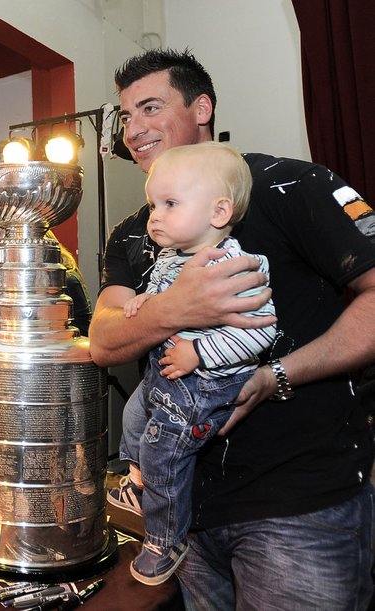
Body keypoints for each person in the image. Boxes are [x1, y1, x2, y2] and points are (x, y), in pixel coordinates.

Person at [91, 49, 375, 609]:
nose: (134, 129)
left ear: (202, 108)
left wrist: (276, 376)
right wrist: (178, 306)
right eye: (125, 116)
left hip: (298, 507)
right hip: (186, 519)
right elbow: (103, 340)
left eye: (150, 107)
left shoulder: (293, 185)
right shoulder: (132, 231)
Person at [114, 142, 277, 585]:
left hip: (204, 382)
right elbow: (170, 300)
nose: (155, 216)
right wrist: (150, 301)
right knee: (133, 417)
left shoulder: (237, 265)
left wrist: (199, 353)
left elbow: (260, 332)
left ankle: (165, 539)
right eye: (152, 205)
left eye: (170, 204)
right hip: (165, 371)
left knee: (163, 451)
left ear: (219, 212)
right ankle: (137, 478)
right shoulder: (171, 257)